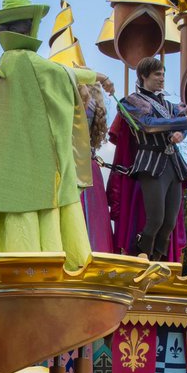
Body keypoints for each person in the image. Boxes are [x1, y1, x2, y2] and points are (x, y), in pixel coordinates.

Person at [0, 0, 106, 275]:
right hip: (30, 155)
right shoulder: (24, 61)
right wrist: (95, 76)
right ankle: (40, 262)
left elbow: (56, 74)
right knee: (34, 199)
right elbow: (59, 73)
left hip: (9, 153)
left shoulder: (9, 61)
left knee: (8, 198)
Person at [119, 56, 187, 260]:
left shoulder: (168, 104)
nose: (162, 78)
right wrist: (182, 121)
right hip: (150, 163)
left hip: (173, 164)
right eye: (157, 74)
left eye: (163, 74)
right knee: (155, 219)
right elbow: (147, 124)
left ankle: (157, 263)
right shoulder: (132, 101)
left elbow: (180, 125)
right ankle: (141, 257)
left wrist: (180, 133)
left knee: (169, 223)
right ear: (143, 76)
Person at [79, 80, 115, 253]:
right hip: (91, 167)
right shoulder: (94, 106)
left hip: (76, 167)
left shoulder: (82, 104)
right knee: (96, 218)